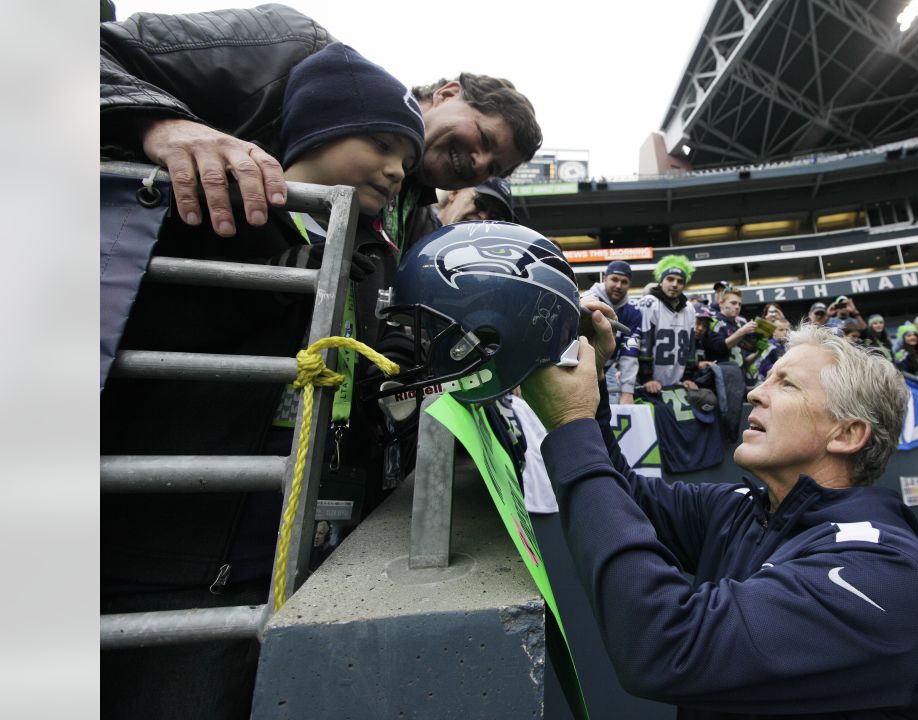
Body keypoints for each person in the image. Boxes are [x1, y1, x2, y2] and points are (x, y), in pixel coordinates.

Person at [99, 41, 426, 720]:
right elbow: (151, 336)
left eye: (408, 158)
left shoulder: (372, 259)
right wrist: (281, 277)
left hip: (292, 554)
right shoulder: (206, 200)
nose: (397, 170)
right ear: (321, 126)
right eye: (381, 142)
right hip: (172, 560)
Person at [519, 316, 918, 719]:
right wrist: (588, 387)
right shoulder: (747, 508)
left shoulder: (881, 574)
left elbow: (665, 646)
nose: (755, 393)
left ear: (848, 434)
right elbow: (623, 496)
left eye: (787, 384)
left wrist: (569, 424)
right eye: (767, 378)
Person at [101, 4, 541, 242]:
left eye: (495, 169)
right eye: (484, 137)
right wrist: (161, 124)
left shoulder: (415, 220)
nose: (479, 163)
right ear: (446, 94)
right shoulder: (291, 46)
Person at [582, 260, 644, 404]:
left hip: (603, 372)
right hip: (578, 369)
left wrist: (627, 391)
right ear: (604, 279)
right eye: (614, 279)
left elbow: (629, 352)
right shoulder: (588, 298)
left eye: (624, 281)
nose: (618, 285)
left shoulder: (633, 312)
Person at [636, 255, 699, 393]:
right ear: (661, 281)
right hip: (649, 383)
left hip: (678, 382)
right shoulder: (649, 303)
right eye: (670, 279)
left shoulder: (689, 308)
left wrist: (689, 377)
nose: (675, 284)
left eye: (680, 281)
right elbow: (643, 343)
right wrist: (646, 378)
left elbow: (690, 347)